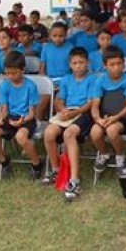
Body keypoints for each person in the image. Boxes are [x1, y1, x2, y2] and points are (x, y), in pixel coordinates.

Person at [42, 47, 97, 198]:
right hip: (68, 112)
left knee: (69, 134)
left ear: (87, 63)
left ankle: (74, 180)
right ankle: (56, 170)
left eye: (81, 62)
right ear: (70, 64)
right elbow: (59, 100)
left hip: (84, 113)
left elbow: (90, 103)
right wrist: (63, 110)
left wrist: (73, 113)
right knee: (49, 133)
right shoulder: (66, 79)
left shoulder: (93, 79)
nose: (78, 66)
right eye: (75, 63)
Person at [0, 50, 45, 180]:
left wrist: (22, 121)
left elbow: (32, 113)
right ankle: (4, 161)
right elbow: (4, 109)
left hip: (27, 119)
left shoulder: (30, 86)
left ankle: (37, 164)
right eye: (8, 73)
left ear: (22, 70)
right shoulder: (5, 85)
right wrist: (0, 119)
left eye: (14, 73)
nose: (10, 76)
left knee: (21, 137)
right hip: (10, 117)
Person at [88, 45, 126, 185]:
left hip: (123, 118)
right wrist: (98, 119)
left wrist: (115, 118)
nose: (116, 68)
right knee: (95, 132)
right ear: (105, 66)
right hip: (105, 117)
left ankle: (120, 156)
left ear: (124, 63)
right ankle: (104, 154)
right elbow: (95, 105)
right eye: (112, 64)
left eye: (119, 63)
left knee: (112, 130)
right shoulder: (100, 80)